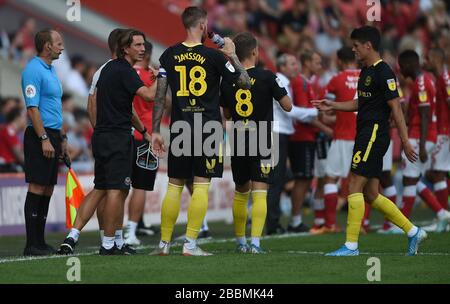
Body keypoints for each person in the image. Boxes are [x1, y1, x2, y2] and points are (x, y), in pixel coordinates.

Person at [312, 26, 425, 256]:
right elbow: (358, 103)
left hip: (374, 133)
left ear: (368, 46)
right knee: (371, 194)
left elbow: (396, 108)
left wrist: (404, 141)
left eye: (355, 46)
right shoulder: (366, 71)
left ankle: (351, 246)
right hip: (365, 132)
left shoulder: (384, 72)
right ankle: (413, 231)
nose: (353, 49)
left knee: (354, 183)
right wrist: (332, 105)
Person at [151, 6, 251, 256]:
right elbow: (245, 83)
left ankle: (163, 245)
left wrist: (155, 130)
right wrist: (233, 55)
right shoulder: (214, 57)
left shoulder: (169, 55)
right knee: (201, 185)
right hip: (207, 127)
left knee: (174, 185)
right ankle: (190, 245)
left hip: (180, 126)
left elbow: (160, 97)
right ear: (204, 26)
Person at [59, 29, 155, 255]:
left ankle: (74, 236)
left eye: (143, 45)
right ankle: (109, 243)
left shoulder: (105, 70)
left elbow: (121, 106)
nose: (143, 49)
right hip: (117, 136)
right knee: (117, 190)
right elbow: (149, 96)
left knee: (101, 188)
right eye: (138, 45)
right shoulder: (126, 71)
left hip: (103, 135)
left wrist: (142, 130)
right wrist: (163, 77)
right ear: (125, 48)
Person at [220, 32, 292, 253]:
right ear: (254, 52)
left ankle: (240, 242)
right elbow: (288, 106)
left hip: (239, 136)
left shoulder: (229, 79)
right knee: (260, 191)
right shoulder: (268, 76)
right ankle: (255, 244)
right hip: (262, 137)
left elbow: (228, 115)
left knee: (241, 192)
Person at [21, 29, 66, 256]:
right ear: (47, 46)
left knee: (48, 188)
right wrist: (44, 139)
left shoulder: (51, 70)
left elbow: (55, 108)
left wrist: (62, 138)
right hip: (40, 135)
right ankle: (31, 244)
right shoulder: (33, 70)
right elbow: (32, 108)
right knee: (37, 186)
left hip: (54, 134)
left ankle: (40, 241)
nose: (62, 46)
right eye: (58, 43)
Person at [310, 46, 360, 234]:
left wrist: (331, 117)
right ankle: (364, 224)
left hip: (342, 136)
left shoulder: (337, 79)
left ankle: (330, 224)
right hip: (363, 136)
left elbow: (324, 107)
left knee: (330, 177)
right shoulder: (367, 77)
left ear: (339, 61)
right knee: (363, 180)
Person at [398, 50, 450, 227]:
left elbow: (425, 114)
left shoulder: (421, 83)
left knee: (414, 178)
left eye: (401, 66)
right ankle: (442, 213)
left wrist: (421, 145)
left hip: (422, 135)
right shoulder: (427, 79)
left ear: (407, 65)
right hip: (426, 134)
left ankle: (403, 224)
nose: (400, 70)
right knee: (417, 176)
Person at [125, 41, 159, 246]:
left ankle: (113, 234)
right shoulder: (150, 77)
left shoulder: (125, 73)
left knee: (119, 187)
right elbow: (164, 101)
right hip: (146, 135)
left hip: (127, 135)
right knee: (140, 187)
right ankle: (131, 230)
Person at [422, 48, 450, 232]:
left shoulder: (444, 78)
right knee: (438, 173)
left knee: (436, 173)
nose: (425, 61)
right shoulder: (439, 78)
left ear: (436, 59)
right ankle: (444, 215)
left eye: (428, 58)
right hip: (443, 131)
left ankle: (443, 216)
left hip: (444, 131)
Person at [0, 106, 26, 173]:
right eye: (24, 117)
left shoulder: (14, 132)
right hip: (5, 166)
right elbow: (20, 157)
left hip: (10, 165)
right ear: (18, 118)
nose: (26, 120)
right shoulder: (9, 130)